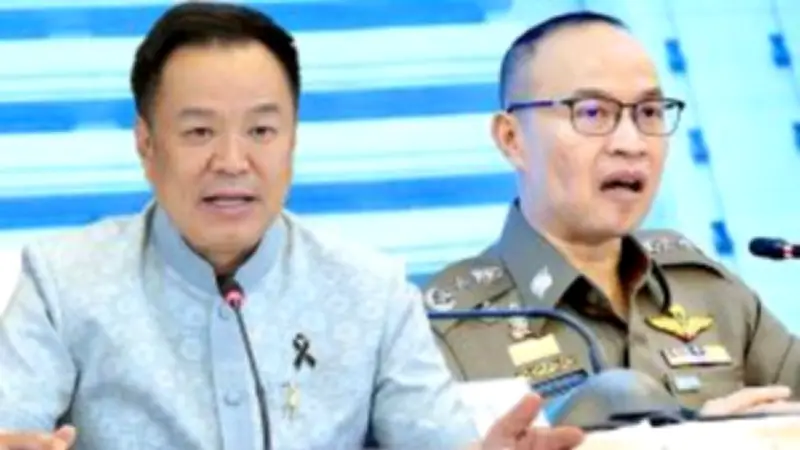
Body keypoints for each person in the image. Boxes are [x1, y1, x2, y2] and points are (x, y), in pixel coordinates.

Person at [0, 3, 585, 449]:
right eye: (199, 132)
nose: (232, 161)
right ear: (146, 144)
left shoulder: (372, 291)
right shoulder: (63, 284)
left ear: (293, 142)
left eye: (261, 131)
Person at [426, 11, 800, 417]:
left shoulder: (710, 292)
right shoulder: (446, 334)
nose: (631, 143)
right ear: (512, 139)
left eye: (649, 112)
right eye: (592, 113)